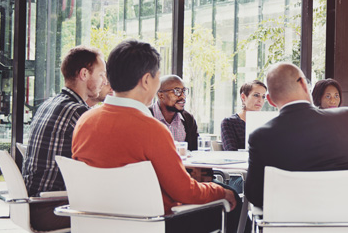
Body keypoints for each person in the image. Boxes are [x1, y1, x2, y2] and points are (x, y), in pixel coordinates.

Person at [73, 39, 240, 232]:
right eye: (157, 76)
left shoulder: (84, 122)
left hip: (97, 223)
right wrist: (223, 191)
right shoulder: (152, 129)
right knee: (233, 195)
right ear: (146, 80)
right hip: (150, 223)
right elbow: (185, 192)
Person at [244, 62, 348, 209]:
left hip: (291, 225)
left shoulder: (261, 137)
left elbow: (255, 195)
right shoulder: (347, 118)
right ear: (305, 85)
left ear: (270, 100)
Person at [22, 45, 106, 231]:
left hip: (33, 202)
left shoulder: (49, 104)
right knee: (122, 212)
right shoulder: (78, 112)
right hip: (52, 208)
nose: (104, 81)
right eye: (101, 74)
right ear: (84, 74)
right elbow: (99, 167)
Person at [150, 75, 199, 151]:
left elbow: (194, 152)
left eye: (184, 91)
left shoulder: (188, 119)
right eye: (177, 91)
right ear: (161, 95)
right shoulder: (145, 116)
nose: (183, 96)